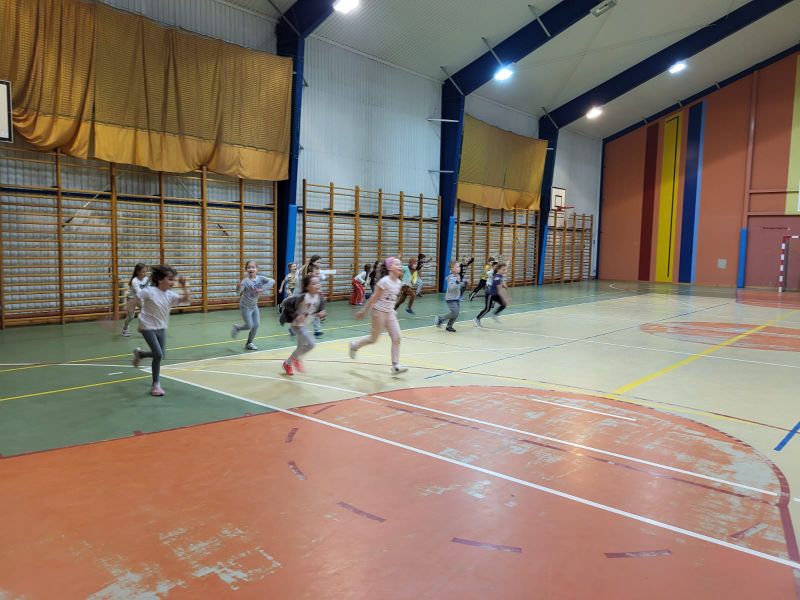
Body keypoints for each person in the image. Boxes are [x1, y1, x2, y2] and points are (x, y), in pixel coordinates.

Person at [132, 265, 191, 396]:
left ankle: (140, 354)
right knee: (158, 354)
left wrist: (184, 287)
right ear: (159, 280)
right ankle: (156, 386)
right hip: (146, 326)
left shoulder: (170, 295)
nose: (172, 282)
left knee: (160, 354)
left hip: (161, 326)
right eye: (170, 279)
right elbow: (134, 301)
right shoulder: (149, 291)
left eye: (173, 279)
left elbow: (187, 300)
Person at [348, 256, 408, 374]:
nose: (400, 266)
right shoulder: (384, 281)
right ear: (390, 267)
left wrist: (392, 309)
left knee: (397, 337)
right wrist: (364, 311)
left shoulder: (399, 283)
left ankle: (396, 366)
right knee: (373, 339)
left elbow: (393, 298)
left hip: (390, 312)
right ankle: (354, 345)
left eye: (400, 264)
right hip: (378, 311)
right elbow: (373, 298)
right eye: (396, 264)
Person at [282, 274, 326, 376]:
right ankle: (295, 359)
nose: (317, 284)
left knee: (300, 347)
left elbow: (319, 311)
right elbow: (287, 305)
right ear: (307, 287)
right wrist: (296, 315)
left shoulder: (319, 297)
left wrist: (321, 314)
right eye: (313, 283)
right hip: (297, 325)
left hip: (304, 325)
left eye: (318, 282)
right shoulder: (302, 297)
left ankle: (288, 363)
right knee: (311, 344)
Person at [231, 260, 275, 350]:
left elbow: (272, 281)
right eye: (249, 267)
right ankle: (237, 328)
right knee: (249, 325)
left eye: (253, 267)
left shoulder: (260, 278)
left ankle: (249, 343)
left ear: (257, 269)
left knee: (256, 325)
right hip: (245, 306)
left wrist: (262, 289)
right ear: (246, 269)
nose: (251, 269)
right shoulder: (245, 281)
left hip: (254, 305)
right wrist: (238, 287)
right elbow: (238, 292)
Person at [474, 262, 508, 327]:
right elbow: (500, 290)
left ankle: (495, 314)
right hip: (490, 295)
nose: (505, 271)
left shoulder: (500, 275)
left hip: (495, 294)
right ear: (499, 270)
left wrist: (503, 285)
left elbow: (500, 284)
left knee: (504, 304)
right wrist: (506, 297)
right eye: (503, 270)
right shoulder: (497, 278)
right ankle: (477, 319)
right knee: (487, 309)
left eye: (505, 270)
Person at [122, 263, 148, 337]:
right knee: (131, 316)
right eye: (142, 272)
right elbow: (139, 292)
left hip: (140, 298)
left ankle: (142, 329)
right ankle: (125, 328)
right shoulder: (134, 281)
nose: (144, 273)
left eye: (146, 271)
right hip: (131, 298)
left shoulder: (146, 279)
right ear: (137, 272)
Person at [434, 261, 461, 332]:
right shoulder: (451, 277)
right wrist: (457, 282)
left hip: (456, 298)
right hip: (451, 299)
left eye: (459, 266)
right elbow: (451, 288)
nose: (459, 268)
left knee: (456, 314)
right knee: (454, 313)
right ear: (452, 269)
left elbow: (458, 287)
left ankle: (449, 326)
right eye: (457, 267)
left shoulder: (458, 276)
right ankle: (440, 319)